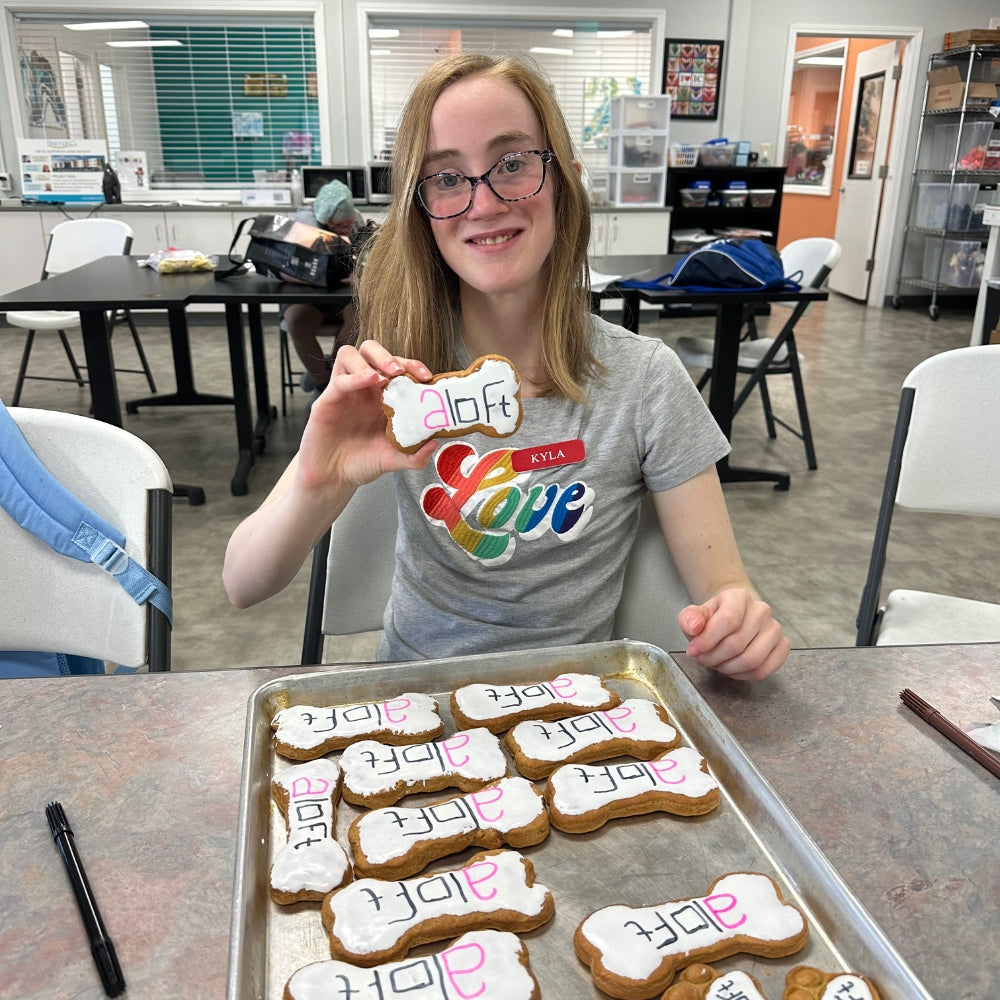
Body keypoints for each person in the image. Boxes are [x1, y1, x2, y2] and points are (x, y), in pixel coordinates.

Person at [223, 53, 789, 682]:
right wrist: (320, 478)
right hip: (419, 702)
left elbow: (726, 592)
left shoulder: (646, 382)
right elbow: (243, 583)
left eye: (513, 164)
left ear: (564, 181)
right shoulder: (395, 382)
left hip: (570, 709)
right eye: (446, 177)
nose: (484, 203)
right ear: (420, 210)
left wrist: (740, 625)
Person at [283, 179, 366, 399]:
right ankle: (322, 385)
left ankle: (329, 375)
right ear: (324, 219)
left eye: (348, 224)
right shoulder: (305, 224)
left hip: (345, 300)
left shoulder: (357, 220)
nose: (345, 230)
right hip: (309, 299)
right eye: (339, 226)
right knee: (296, 320)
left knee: (360, 318)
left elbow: (364, 261)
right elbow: (293, 269)